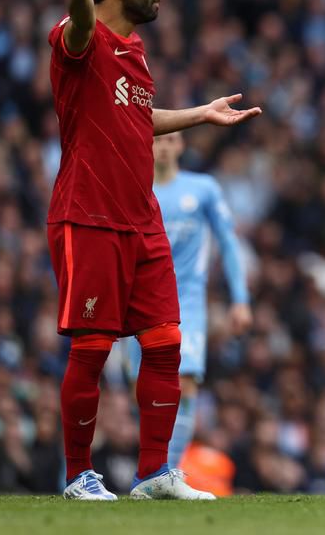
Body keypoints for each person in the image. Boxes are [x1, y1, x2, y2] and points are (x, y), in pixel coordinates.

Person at [48, 0, 260, 500]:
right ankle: (76, 477)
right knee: (92, 348)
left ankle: (154, 475)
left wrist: (200, 114)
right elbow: (78, 26)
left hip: (143, 220)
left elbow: (137, 120)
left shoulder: (135, 53)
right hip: (88, 216)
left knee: (166, 342)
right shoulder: (81, 40)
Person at [123, 132, 252, 470]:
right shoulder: (132, 188)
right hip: (141, 304)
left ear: (180, 146)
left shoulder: (203, 189)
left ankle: (169, 471)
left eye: (171, 140)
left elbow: (228, 241)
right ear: (147, 144)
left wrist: (240, 299)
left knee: (185, 382)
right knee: (146, 394)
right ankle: (152, 470)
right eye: (157, 140)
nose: (163, 146)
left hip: (188, 303)